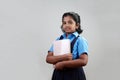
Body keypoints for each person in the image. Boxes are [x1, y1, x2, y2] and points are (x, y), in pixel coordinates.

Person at [46, 12, 88, 80]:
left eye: (70, 22)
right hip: (58, 75)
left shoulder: (80, 40)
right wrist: (64, 57)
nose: (66, 25)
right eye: (64, 23)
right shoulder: (58, 39)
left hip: (74, 75)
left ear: (77, 25)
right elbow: (48, 59)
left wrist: (62, 64)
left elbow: (83, 61)